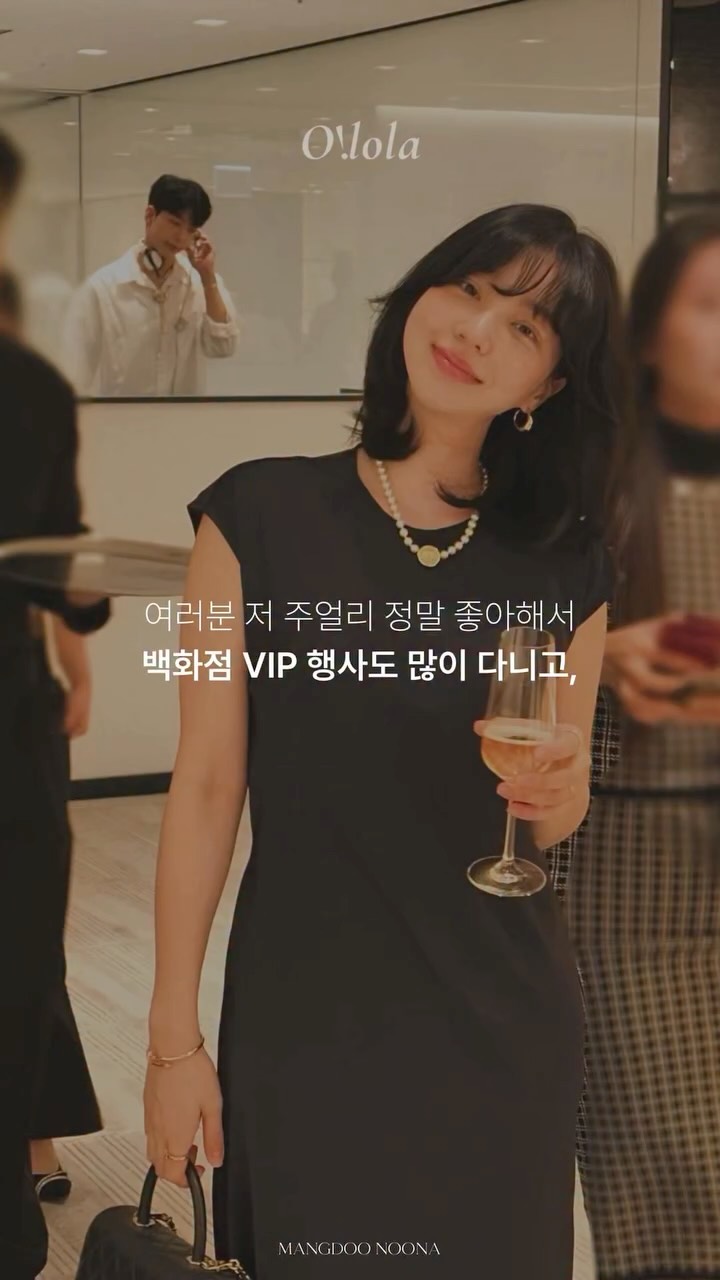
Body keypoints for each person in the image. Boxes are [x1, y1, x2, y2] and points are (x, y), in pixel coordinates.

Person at [144, 204, 628, 1279]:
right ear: (418, 295)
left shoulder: (568, 560)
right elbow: (208, 782)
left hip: (499, 1021)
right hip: (307, 1013)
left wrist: (558, 788)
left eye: (525, 327)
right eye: (469, 291)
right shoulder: (256, 514)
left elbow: (554, 811)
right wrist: (173, 1041)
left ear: (548, 385)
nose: (477, 331)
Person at [567, 215, 720, 1280]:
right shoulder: (589, 481)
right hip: (634, 874)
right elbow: (497, 648)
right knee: (667, 1181)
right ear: (652, 332)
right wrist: (602, 655)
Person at [0, 128, 111, 1280]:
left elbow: (49, 557)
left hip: (11, 716)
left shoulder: (29, 386)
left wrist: (84, 613)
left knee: (23, 959)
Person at [62, 174, 238, 397]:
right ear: (150, 215)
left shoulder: (200, 283)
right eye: (175, 223)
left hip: (186, 418)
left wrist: (207, 277)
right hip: (123, 418)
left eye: (191, 230)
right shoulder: (103, 288)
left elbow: (223, 347)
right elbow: (73, 374)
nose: (181, 237)